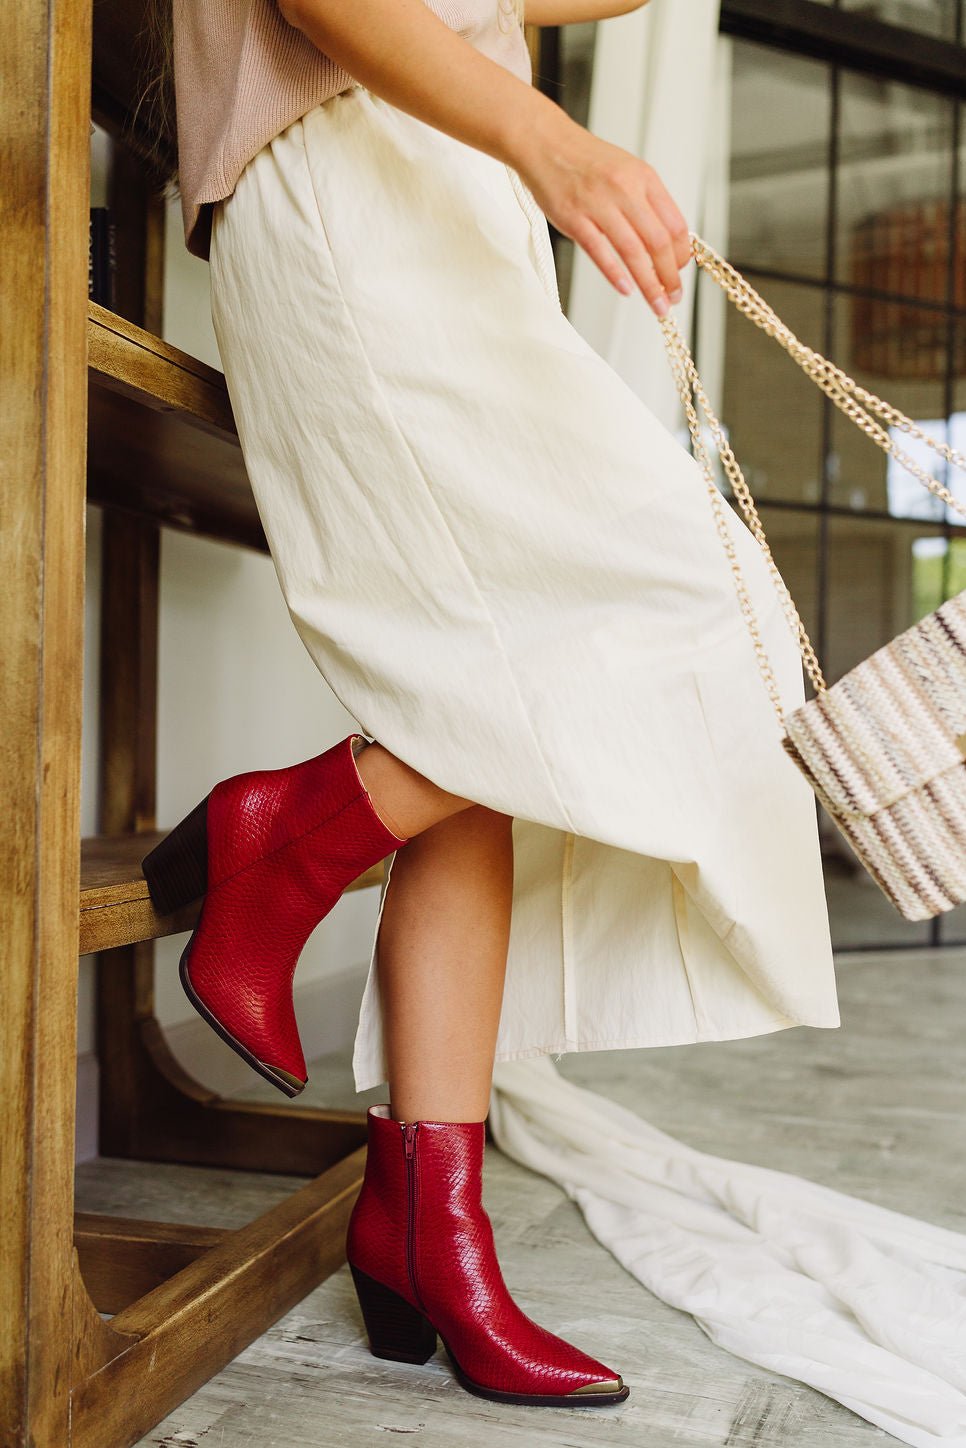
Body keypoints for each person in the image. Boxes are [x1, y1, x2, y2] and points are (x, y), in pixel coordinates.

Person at [140, 0, 841, 1413]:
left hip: (448, 182)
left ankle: (424, 1227)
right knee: (707, 616)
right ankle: (282, 840)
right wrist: (554, 142)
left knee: (484, 722)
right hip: (347, 162)